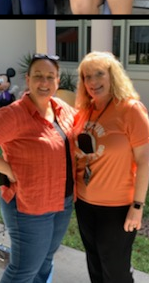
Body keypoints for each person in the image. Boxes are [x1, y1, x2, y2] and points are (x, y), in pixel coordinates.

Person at [0, 54, 77, 283]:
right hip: (29, 206)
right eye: (38, 76)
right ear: (28, 79)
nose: (44, 82)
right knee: (23, 271)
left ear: (57, 81)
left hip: (63, 202)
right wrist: (8, 170)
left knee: (45, 262)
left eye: (50, 76)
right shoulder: (15, 114)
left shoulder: (61, 109)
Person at [73, 52, 149, 283]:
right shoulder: (85, 111)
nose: (93, 82)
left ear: (112, 76)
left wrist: (137, 206)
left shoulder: (130, 109)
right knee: (95, 264)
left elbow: (145, 160)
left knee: (116, 271)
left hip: (117, 208)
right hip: (85, 204)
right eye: (87, 76)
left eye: (99, 74)